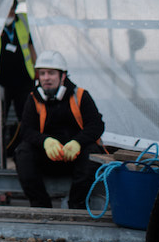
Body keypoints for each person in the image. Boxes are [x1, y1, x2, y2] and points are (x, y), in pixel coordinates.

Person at [15, 50, 104, 209]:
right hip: (48, 158)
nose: (46, 78)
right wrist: (45, 142)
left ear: (63, 76)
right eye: (42, 73)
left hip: (76, 158)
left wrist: (77, 142)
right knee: (23, 152)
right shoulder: (33, 98)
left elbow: (96, 125)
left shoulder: (81, 96)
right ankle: (41, 207)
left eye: (51, 73)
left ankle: (76, 206)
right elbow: (26, 130)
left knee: (92, 152)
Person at [0, 0, 36, 150]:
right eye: (8, 9)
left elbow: (31, 46)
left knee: (26, 117)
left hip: (24, 80)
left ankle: (25, 149)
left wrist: (37, 69)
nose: (11, 13)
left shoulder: (24, 21)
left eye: (13, 9)